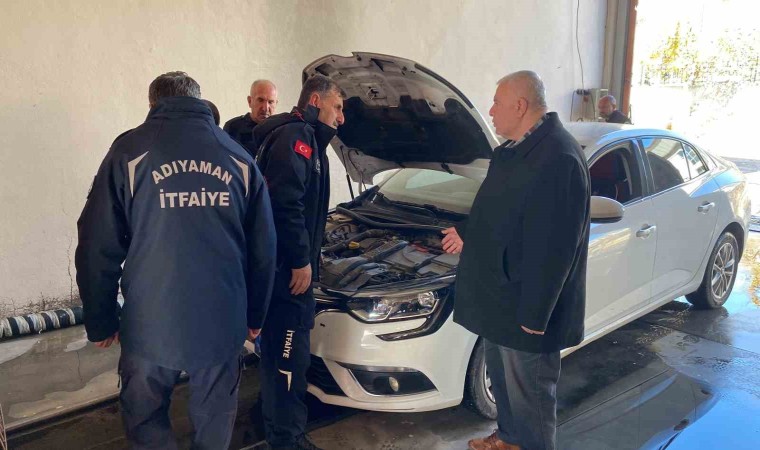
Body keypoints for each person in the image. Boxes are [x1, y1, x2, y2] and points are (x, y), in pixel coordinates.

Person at [75, 71, 276, 450]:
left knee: (145, 416)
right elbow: (263, 249)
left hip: (150, 320)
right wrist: (255, 316)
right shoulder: (238, 157)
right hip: (222, 319)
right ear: (199, 100)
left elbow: (96, 243)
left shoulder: (129, 152)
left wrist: (101, 320)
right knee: (214, 421)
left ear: (153, 104)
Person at [442, 71, 590, 450]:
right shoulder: (514, 151)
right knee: (505, 385)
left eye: (496, 103)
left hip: (526, 309)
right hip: (501, 299)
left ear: (520, 106)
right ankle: (509, 440)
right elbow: (501, 210)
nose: (490, 111)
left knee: (531, 400)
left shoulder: (558, 158)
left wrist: (535, 316)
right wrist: (468, 231)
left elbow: (556, 248)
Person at [253, 74, 345, 450]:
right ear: (316, 101)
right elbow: (286, 203)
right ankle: (286, 441)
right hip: (286, 277)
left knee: (281, 360)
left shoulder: (299, 136)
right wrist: (300, 260)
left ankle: (283, 432)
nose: (341, 118)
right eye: (337, 107)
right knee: (289, 362)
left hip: (277, 272)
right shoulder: (298, 137)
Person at [224, 79, 279, 156]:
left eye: (270, 102)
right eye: (260, 100)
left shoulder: (280, 131)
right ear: (250, 101)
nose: (265, 108)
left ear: (276, 104)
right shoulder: (233, 127)